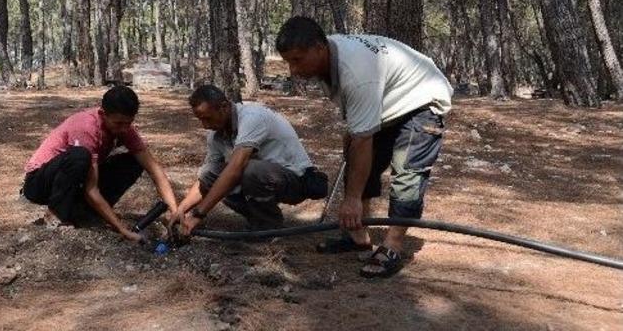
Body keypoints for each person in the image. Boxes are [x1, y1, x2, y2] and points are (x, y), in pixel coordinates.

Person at [276, 16, 453, 278]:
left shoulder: (356, 73)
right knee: (358, 164)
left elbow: (363, 138)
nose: (293, 70)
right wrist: (353, 140)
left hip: (421, 100)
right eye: (288, 61)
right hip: (389, 102)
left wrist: (351, 200)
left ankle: (392, 246)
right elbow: (357, 132)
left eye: (298, 60)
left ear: (319, 48)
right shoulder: (329, 60)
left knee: (407, 175)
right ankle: (357, 236)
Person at [21, 85, 178, 242]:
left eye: (128, 123)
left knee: (133, 162)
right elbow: (92, 189)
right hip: (39, 184)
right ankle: (55, 213)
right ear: (103, 114)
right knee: (80, 156)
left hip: (73, 184)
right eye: (119, 123)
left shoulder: (125, 129)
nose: (124, 129)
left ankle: (86, 212)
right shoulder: (86, 126)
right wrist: (123, 230)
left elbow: (154, 170)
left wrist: (176, 211)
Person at [170, 85, 328, 237]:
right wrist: (182, 209)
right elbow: (205, 181)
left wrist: (198, 214)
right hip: (265, 179)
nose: (205, 126)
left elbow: (235, 169)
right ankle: (259, 219)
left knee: (248, 169)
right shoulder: (215, 134)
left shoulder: (253, 118)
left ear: (224, 107)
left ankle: (268, 225)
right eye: (200, 120)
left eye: (208, 118)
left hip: (296, 180)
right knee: (209, 172)